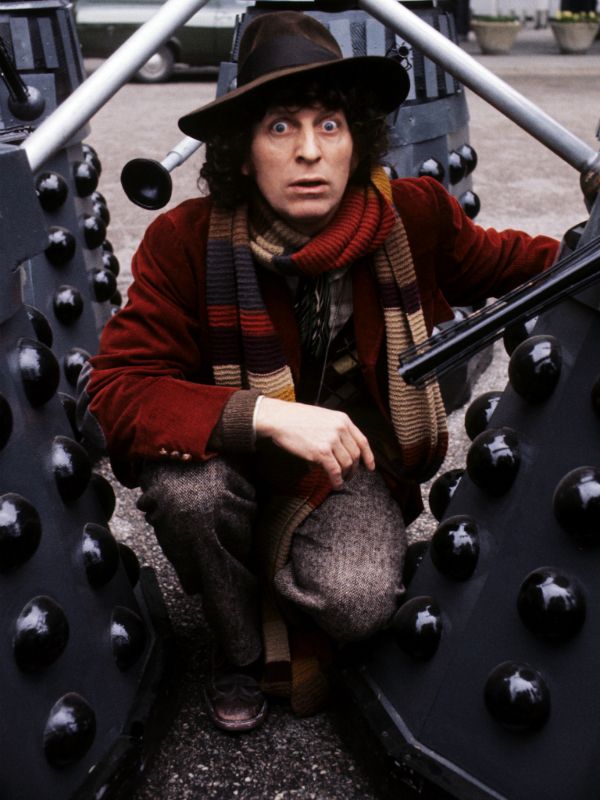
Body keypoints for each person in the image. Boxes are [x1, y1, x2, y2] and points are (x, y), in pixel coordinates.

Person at [81, 11, 559, 733]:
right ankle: (240, 648)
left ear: (354, 140)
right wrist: (262, 415)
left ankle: (283, 581)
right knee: (188, 497)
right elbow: (118, 388)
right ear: (244, 154)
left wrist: (590, 232)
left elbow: (521, 263)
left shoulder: (413, 218)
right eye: (281, 127)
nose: (309, 151)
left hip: (346, 470)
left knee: (359, 602)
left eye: (329, 125)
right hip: (229, 460)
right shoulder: (186, 240)